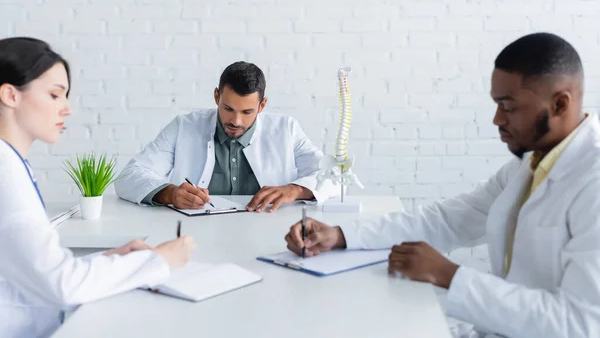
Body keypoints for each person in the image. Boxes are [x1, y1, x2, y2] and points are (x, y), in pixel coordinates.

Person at [284, 33, 600, 338]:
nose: (497, 119)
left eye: (509, 106)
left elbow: (581, 325)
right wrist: (339, 235)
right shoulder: (530, 164)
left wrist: (450, 275)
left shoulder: (593, 181)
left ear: (560, 104)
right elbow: (448, 219)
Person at [0, 37, 196, 338]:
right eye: (55, 95)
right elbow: (62, 286)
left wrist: (110, 259)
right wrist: (157, 261)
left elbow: (29, 273)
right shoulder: (5, 173)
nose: (67, 109)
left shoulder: (11, 163)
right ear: (10, 95)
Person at [115, 61, 337, 213]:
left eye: (247, 112)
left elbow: (335, 177)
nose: (236, 121)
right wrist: (170, 193)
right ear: (216, 96)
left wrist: (295, 189)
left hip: (269, 232)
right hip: (197, 236)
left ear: (262, 105)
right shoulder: (184, 126)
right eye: (228, 108)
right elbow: (127, 178)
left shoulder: (286, 129)